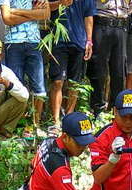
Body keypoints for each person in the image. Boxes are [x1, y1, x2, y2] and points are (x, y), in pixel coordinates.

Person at [0, 0, 49, 131]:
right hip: (13, 43)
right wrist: (34, 13)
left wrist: (17, 11)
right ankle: (14, 124)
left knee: (39, 87)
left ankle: (35, 125)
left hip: (34, 42)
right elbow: (7, 18)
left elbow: (45, 14)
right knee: (15, 86)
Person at [48, 0, 94, 131]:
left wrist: (89, 41)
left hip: (79, 41)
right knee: (57, 81)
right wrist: (60, 3)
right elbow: (45, 9)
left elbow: (88, 16)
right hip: (58, 41)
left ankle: (69, 119)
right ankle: (56, 121)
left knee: (74, 83)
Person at [88, 0, 132, 115]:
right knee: (98, 69)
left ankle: (116, 108)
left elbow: (131, 5)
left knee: (119, 70)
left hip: (122, 24)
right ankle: (98, 108)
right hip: (102, 23)